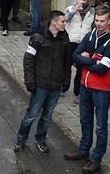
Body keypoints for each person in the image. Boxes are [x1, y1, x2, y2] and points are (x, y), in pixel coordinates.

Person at [65, 8, 110, 174]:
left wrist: (87, 58)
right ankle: (83, 151)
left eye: (102, 21)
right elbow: (74, 55)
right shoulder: (90, 35)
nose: (99, 24)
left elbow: (103, 69)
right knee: (85, 120)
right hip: (85, 85)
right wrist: (92, 59)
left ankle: (96, 159)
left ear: (109, 22)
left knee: (101, 127)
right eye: (97, 20)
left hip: (101, 90)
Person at [14, 11, 71, 153]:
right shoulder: (38, 37)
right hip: (40, 85)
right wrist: (30, 82)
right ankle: (21, 139)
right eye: (62, 21)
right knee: (31, 115)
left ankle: (40, 139)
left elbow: (67, 62)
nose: (65, 23)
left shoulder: (64, 38)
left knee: (47, 116)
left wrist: (66, 81)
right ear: (53, 22)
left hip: (56, 86)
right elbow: (28, 60)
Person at [64, 0, 95, 98]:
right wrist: (74, 11)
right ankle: (64, 87)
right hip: (70, 42)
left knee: (81, 68)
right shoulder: (70, 9)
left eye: (84, 0)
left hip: (83, 44)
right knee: (66, 66)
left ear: (88, 1)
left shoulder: (92, 11)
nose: (81, 1)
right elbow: (64, 20)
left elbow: (94, 27)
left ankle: (78, 91)